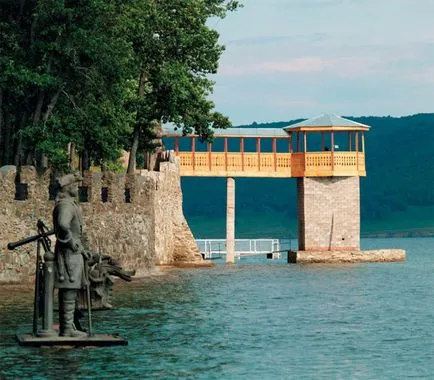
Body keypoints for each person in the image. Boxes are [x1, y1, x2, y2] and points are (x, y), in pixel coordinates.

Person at [53, 172, 89, 337]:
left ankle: (68, 327)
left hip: (73, 253)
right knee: (68, 288)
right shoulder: (66, 205)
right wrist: (70, 241)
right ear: (69, 187)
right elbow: (62, 224)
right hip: (68, 254)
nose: (77, 187)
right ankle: (67, 329)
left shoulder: (68, 204)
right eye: (75, 184)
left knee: (71, 289)